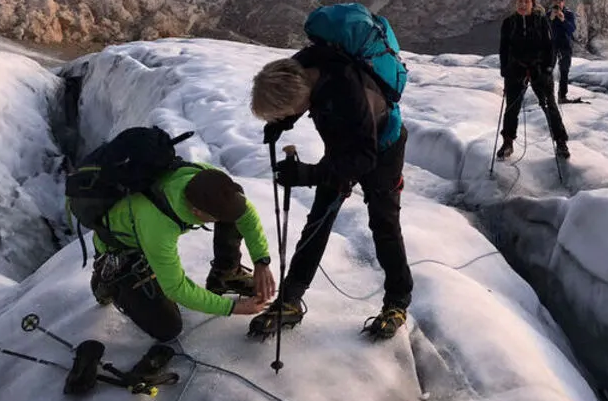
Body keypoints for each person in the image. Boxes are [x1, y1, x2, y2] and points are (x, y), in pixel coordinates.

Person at [247, 43, 413, 341]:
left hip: (382, 148)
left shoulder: (349, 94)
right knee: (320, 218)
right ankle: (290, 299)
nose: (290, 114)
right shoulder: (297, 69)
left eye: (288, 111)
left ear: (301, 99)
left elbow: (365, 158)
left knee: (384, 223)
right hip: (343, 142)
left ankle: (397, 302)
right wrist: (282, 122)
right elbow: (296, 99)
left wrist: (309, 174)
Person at [89, 166, 275, 342]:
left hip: (144, 230)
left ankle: (226, 273)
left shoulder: (205, 178)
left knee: (231, 213)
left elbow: (245, 213)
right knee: (168, 328)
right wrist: (233, 307)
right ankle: (106, 281)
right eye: (214, 217)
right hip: (121, 249)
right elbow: (177, 288)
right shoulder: (158, 225)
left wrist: (261, 261)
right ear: (196, 212)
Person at [497, 0, 570, 160]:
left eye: (526, 2)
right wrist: (504, 69)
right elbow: (503, 48)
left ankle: (561, 142)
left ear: (532, 4)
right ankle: (508, 142)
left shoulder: (541, 22)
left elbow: (550, 47)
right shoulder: (509, 23)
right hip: (515, 69)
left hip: (539, 69)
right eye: (520, 1)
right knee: (511, 108)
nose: (522, 5)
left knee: (550, 106)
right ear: (516, 3)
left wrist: (548, 68)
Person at [547, 0, 577, 103]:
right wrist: (550, 19)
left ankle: (562, 96)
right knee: (549, 69)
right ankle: (548, 95)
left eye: (560, 1)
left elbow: (572, 29)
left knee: (564, 70)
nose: (558, 4)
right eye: (556, 1)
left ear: (563, 3)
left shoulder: (569, 14)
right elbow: (543, 29)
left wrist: (563, 20)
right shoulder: (548, 15)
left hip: (565, 45)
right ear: (552, 2)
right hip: (552, 45)